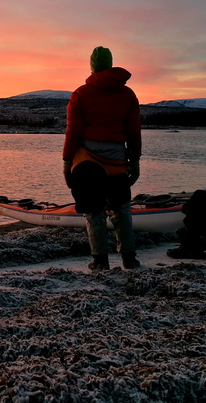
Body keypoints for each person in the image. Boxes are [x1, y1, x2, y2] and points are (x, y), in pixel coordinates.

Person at [62, 46, 142, 271]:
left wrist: (67, 163)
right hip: (118, 163)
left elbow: (73, 133)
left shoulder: (80, 95)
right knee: (122, 210)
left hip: (87, 165)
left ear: (92, 66)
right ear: (111, 64)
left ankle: (100, 261)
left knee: (94, 212)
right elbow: (134, 132)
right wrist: (135, 162)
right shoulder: (128, 95)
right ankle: (129, 258)